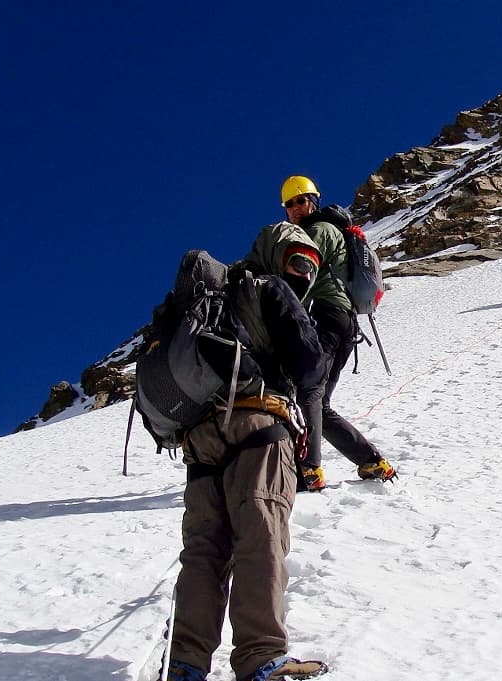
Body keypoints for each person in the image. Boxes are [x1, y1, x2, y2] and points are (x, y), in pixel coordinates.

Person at [164, 269, 330, 681]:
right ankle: (261, 656)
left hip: (199, 437)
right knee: (260, 534)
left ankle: (186, 664)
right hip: (260, 420)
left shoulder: (190, 311)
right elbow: (310, 365)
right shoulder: (262, 287)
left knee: (204, 550)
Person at [246, 175, 398, 492]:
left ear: (313, 201)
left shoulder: (319, 231)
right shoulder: (330, 230)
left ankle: (309, 469)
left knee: (309, 393)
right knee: (320, 402)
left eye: (301, 200)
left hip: (328, 318)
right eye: (290, 204)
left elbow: (304, 271)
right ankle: (371, 461)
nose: (296, 208)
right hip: (340, 321)